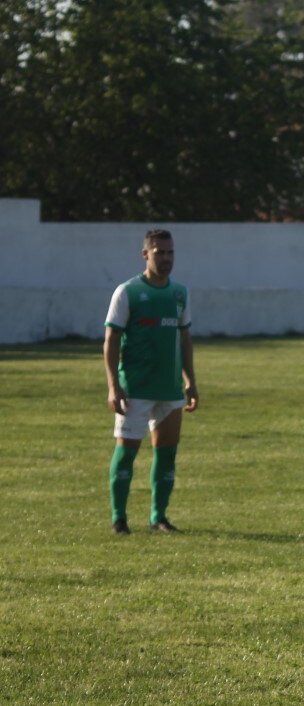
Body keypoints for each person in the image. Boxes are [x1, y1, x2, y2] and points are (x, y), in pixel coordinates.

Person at [103, 229, 198, 535]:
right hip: (136, 389)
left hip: (169, 389)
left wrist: (190, 381)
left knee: (167, 453)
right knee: (127, 452)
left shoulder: (180, 292)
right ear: (145, 254)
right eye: (160, 253)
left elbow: (184, 338)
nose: (166, 258)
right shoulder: (127, 292)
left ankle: (159, 517)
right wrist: (113, 386)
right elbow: (111, 340)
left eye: (170, 253)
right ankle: (119, 519)